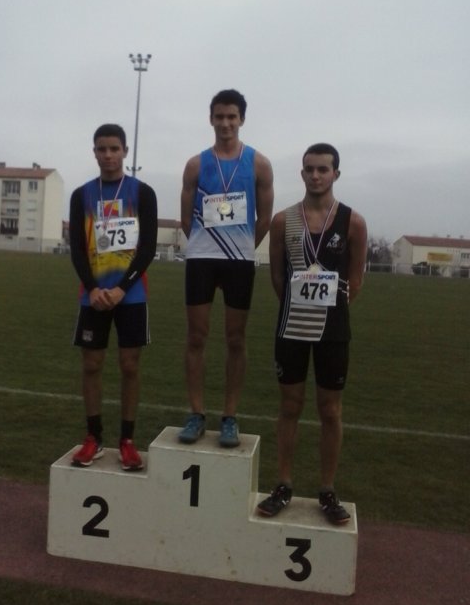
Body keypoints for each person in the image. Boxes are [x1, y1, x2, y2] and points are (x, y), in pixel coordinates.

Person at [257, 143, 367, 524]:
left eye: (323, 169)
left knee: (330, 410)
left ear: (336, 173)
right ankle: (283, 484)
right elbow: (277, 277)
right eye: (310, 169)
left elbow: (356, 279)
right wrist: (300, 304)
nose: (316, 175)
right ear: (302, 173)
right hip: (292, 326)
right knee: (289, 406)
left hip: (333, 330)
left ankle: (327, 490)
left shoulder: (353, 222)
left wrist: (330, 308)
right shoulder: (283, 221)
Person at [178, 89, 274, 447]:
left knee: (236, 339)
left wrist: (242, 245)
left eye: (232, 116)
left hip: (239, 261)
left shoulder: (259, 164)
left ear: (242, 119)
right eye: (219, 116)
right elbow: (186, 219)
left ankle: (230, 416)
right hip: (202, 259)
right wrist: (206, 244)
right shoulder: (196, 165)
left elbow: (264, 218)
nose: (225, 123)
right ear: (211, 119)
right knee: (196, 337)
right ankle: (196, 413)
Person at [69, 123, 157, 471]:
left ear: (125, 152)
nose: (108, 155)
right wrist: (93, 288)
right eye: (102, 149)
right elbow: (78, 249)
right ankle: (93, 437)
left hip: (131, 294)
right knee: (91, 365)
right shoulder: (82, 195)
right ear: (94, 152)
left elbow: (147, 247)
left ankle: (127, 441)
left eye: (114, 149)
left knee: (129, 365)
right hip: (93, 295)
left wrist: (122, 287)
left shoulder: (143, 193)